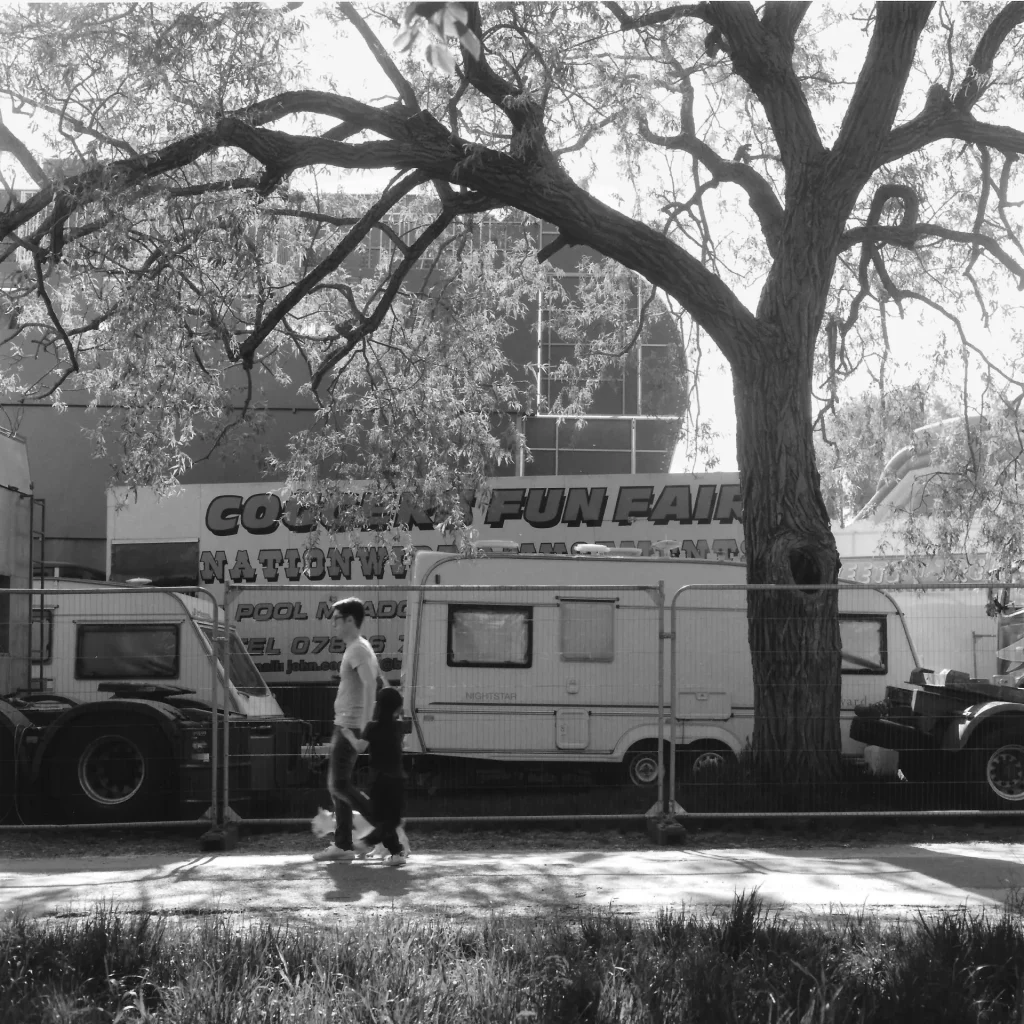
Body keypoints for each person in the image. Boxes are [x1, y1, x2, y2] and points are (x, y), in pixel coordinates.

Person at [313, 596, 380, 862]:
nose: (333, 625)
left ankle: (386, 829)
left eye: (337, 619)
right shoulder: (356, 648)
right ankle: (343, 845)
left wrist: (363, 727)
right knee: (337, 787)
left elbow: (370, 685)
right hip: (344, 724)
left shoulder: (358, 649)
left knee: (339, 784)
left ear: (350, 620)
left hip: (350, 726)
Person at [356, 684, 410, 865]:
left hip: (378, 779)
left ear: (377, 705)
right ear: (397, 708)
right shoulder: (399, 726)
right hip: (397, 778)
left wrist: (348, 734)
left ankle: (370, 844)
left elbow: (360, 748)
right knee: (392, 820)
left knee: (382, 819)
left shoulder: (372, 727)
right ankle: (395, 852)